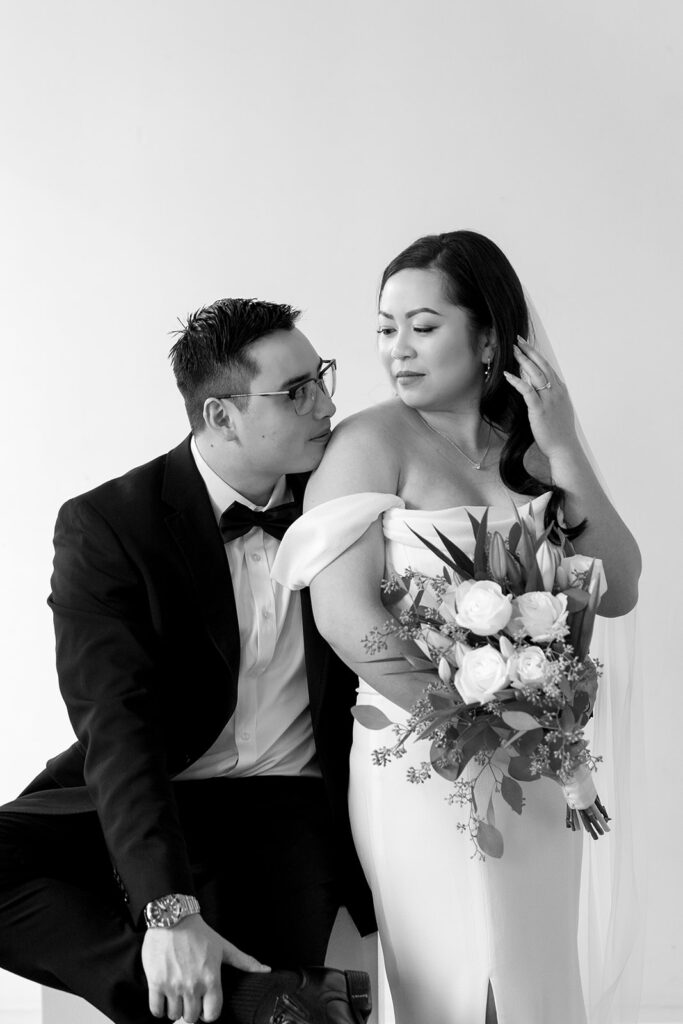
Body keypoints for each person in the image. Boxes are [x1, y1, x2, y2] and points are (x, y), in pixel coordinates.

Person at [272, 231, 642, 1024]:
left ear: (486, 337)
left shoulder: (534, 453)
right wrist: (471, 720)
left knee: (534, 974)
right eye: (384, 327)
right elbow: (346, 618)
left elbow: (618, 589)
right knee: (449, 974)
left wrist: (565, 445)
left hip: (537, 772)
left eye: (423, 326)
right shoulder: (366, 443)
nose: (395, 349)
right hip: (421, 756)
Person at [0, 298, 375, 1024]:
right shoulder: (110, 524)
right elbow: (117, 722)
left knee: (253, 912)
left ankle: (249, 1001)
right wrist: (165, 916)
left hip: (287, 798)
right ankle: (251, 1006)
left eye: (321, 376)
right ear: (219, 417)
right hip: (158, 779)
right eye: (295, 391)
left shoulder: (346, 502)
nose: (326, 404)